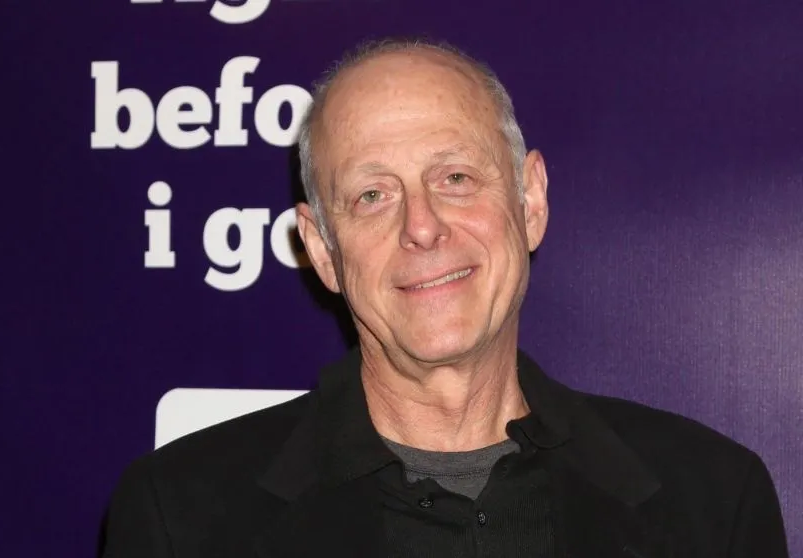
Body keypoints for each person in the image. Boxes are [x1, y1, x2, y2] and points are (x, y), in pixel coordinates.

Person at [98, 38, 789, 557]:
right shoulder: (180, 519)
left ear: (530, 202)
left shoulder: (713, 501)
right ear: (323, 250)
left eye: (455, 177)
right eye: (373, 195)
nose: (422, 226)